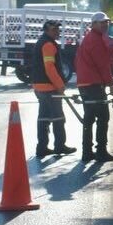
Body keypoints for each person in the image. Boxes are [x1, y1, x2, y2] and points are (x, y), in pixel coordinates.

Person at [75, 11, 113, 162]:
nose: (105, 25)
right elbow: (102, 65)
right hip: (94, 85)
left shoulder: (89, 38)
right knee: (103, 117)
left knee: (88, 118)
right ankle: (101, 151)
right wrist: (111, 85)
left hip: (84, 84)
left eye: (106, 22)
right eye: (102, 22)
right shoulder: (96, 40)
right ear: (93, 24)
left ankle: (87, 152)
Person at [31, 20, 76, 158]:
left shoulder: (40, 42)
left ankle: (42, 148)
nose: (57, 32)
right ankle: (60, 146)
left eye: (58, 29)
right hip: (49, 88)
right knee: (58, 118)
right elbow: (49, 67)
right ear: (47, 30)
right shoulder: (48, 45)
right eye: (54, 29)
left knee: (43, 118)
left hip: (39, 86)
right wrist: (60, 85)